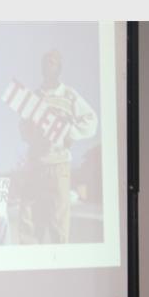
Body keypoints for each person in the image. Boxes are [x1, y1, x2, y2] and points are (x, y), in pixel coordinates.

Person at [20, 49, 97, 244]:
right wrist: (34, 133)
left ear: (59, 68)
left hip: (59, 164)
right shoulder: (34, 97)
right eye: (45, 63)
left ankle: (60, 256)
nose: (48, 66)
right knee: (30, 218)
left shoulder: (69, 95)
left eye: (52, 63)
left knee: (59, 220)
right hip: (36, 163)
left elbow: (91, 120)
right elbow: (23, 129)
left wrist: (69, 132)